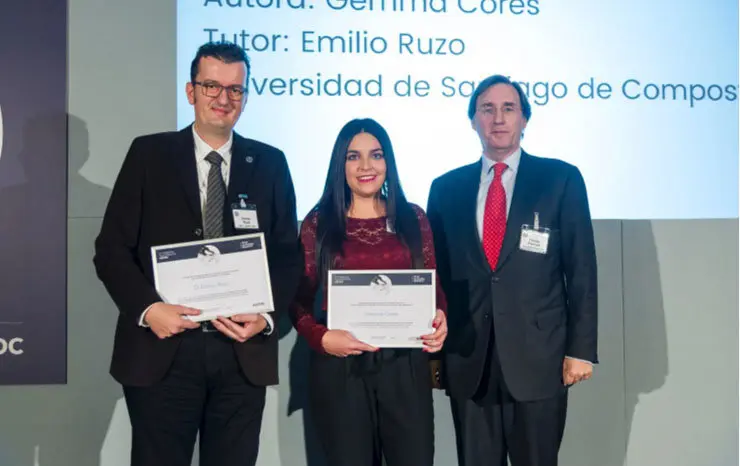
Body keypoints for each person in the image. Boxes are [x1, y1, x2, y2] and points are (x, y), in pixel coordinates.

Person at [93, 42, 302, 466]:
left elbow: (286, 255)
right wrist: (150, 309)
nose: (223, 99)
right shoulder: (149, 155)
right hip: (164, 349)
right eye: (211, 86)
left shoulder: (270, 162)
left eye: (235, 90)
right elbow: (111, 249)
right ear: (191, 91)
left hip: (240, 353)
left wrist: (264, 317)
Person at [426, 75, 598, 466]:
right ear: (473, 120)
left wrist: (581, 350)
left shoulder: (560, 179)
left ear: (525, 119)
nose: (498, 118)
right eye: (487, 109)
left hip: (541, 360)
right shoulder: (445, 188)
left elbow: (582, 269)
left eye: (508, 109)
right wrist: (432, 358)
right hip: (470, 359)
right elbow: (435, 276)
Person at [289, 118, 448, 466]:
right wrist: (321, 338)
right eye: (353, 157)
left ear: (387, 162)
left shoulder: (413, 218)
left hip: (405, 366)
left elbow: (432, 289)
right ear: (339, 165)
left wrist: (440, 319)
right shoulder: (319, 223)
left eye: (375, 155)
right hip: (342, 368)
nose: (365, 166)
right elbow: (298, 300)